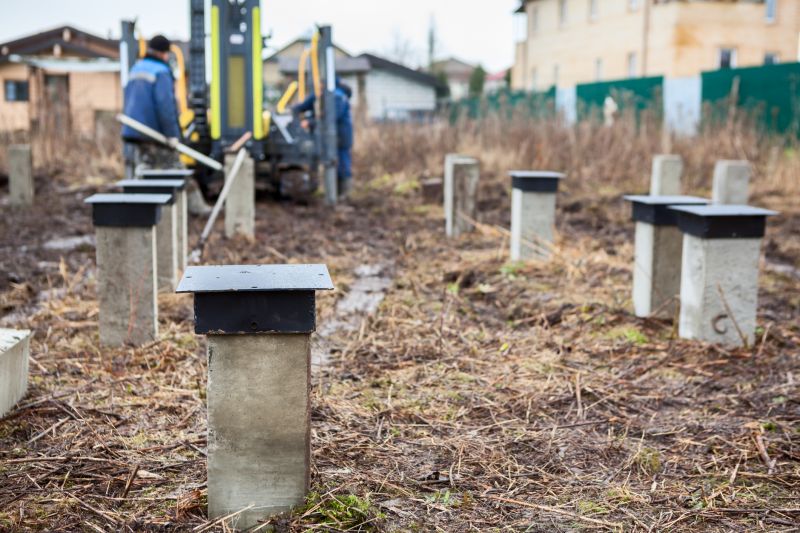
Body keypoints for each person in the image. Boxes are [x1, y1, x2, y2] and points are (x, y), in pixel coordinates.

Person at [121, 35, 210, 214]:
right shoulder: (161, 71)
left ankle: (140, 209)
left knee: (145, 170)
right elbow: (165, 105)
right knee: (177, 170)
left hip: (135, 131)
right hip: (155, 133)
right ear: (164, 53)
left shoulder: (136, 68)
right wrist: (173, 135)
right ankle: (198, 208)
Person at [292, 78, 354, 198]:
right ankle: (334, 191)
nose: (319, 86)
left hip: (341, 135)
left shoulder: (337, 96)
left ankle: (344, 193)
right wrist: (295, 110)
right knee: (333, 161)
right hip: (333, 135)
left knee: (341, 162)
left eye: (320, 83)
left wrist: (310, 123)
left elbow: (331, 117)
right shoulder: (324, 94)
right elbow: (306, 105)